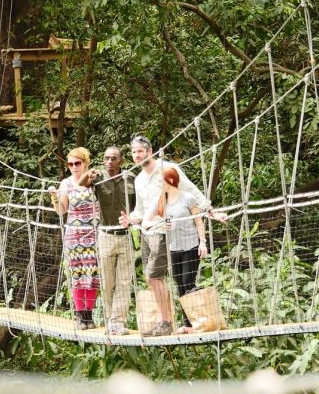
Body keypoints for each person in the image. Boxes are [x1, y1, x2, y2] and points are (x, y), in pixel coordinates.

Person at [119, 135, 208, 336]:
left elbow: (192, 191)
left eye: (140, 151)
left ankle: (165, 321)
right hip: (146, 233)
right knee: (169, 279)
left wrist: (209, 210)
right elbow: (140, 211)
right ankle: (182, 322)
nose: (136, 155)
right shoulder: (140, 179)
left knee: (154, 277)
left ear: (149, 152)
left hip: (165, 232)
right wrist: (129, 220)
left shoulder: (168, 169)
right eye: (133, 152)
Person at [79, 146, 136, 335]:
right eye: (106, 159)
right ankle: (110, 320)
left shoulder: (131, 178)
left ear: (121, 161)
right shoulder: (98, 178)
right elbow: (81, 183)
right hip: (105, 236)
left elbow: (141, 204)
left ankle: (118, 322)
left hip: (125, 236)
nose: (110, 162)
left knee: (124, 282)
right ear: (103, 161)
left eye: (113, 158)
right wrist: (88, 173)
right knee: (108, 282)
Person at [48, 147, 100, 330]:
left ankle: (89, 314)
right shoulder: (66, 184)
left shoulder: (94, 180)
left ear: (85, 163)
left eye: (77, 163)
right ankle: (79, 316)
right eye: (70, 164)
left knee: (92, 275)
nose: (73, 167)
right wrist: (54, 196)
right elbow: (61, 211)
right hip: (74, 236)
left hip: (93, 234)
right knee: (77, 275)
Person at [156, 167, 207, 334]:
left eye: (160, 181)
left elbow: (199, 222)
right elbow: (159, 223)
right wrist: (164, 225)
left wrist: (202, 243)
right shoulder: (162, 201)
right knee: (179, 284)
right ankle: (188, 324)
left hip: (191, 245)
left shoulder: (188, 198)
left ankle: (197, 320)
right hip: (174, 247)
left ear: (169, 181)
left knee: (188, 282)